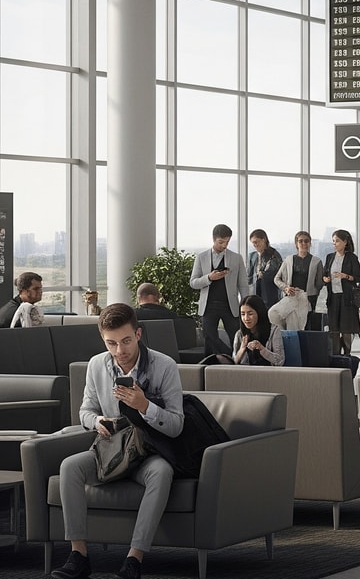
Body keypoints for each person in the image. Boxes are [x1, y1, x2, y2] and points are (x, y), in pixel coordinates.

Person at [48, 303, 185, 579]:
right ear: (102, 339)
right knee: (69, 467)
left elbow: (176, 426)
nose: (119, 351)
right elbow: (85, 411)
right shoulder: (97, 365)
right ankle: (79, 555)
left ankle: (134, 560)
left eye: (125, 341)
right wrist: (96, 422)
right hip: (112, 451)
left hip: (150, 452)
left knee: (162, 472)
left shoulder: (164, 366)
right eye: (111, 343)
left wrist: (145, 405)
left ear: (138, 333)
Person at [188, 224, 247, 355]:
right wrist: (209, 277)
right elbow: (193, 282)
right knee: (210, 339)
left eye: (227, 242)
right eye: (221, 242)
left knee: (236, 337)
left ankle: (238, 365)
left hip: (229, 305)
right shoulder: (201, 257)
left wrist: (244, 304)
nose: (224, 246)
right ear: (214, 239)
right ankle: (217, 365)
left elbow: (243, 284)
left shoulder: (236, 258)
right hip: (208, 306)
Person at [270, 230, 322, 332]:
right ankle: (286, 340)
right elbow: (277, 278)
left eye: (306, 241)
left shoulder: (317, 262)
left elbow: (319, 284)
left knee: (304, 328)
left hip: (308, 299)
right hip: (291, 297)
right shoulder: (288, 260)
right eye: (300, 241)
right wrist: (286, 288)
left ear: (310, 243)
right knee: (275, 315)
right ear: (296, 244)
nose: (303, 244)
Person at [322, 228, 360, 356]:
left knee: (346, 329)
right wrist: (325, 279)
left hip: (347, 298)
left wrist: (345, 276)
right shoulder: (329, 257)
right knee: (333, 329)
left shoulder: (351, 257)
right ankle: (335, 355)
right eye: (333, 241)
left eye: (337, 241)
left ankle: (347, 355)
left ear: (345, 242)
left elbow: (359, 278)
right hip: (333, 298)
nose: (334, 244)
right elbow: (324, 274)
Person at [231, 295, 284, 366]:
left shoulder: (274, 331)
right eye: (243, 314)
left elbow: (280, 361)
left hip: (269, 374)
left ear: (259, 313)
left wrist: (262, 349)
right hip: (246, 374)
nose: (246, 318)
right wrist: (242, 349)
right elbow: (233, 362)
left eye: (250, 314)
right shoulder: (239, 334)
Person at [246, 229, 282, 307]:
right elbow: (248, 276)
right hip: (255, 292)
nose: (255, 245)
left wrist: (262, 274)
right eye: (253, 243)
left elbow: (276, 274)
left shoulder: (274, 254)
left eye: (256, 242)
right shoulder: (252, 256)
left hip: (270, 293)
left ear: (264, 240)